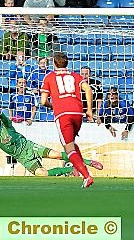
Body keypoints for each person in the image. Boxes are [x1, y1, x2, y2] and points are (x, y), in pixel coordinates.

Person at [0, 99, 103, 176]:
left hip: (29, 146)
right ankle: (70, 170)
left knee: (57, 155)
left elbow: (4, 118)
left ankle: (88, 162)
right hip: (23, 158)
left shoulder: (6, 125)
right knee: (42, 174)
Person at [40, 52, 96, 188]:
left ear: (54, 63)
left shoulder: (49, 77)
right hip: (78, 113)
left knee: (68, 148)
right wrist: (89, 109)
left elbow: (43, 101)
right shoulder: (75, 76)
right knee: (72, 143)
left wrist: (53, 105)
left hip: (63, 114)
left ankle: (87, 176)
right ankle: (79, 168)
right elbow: (88, 89)